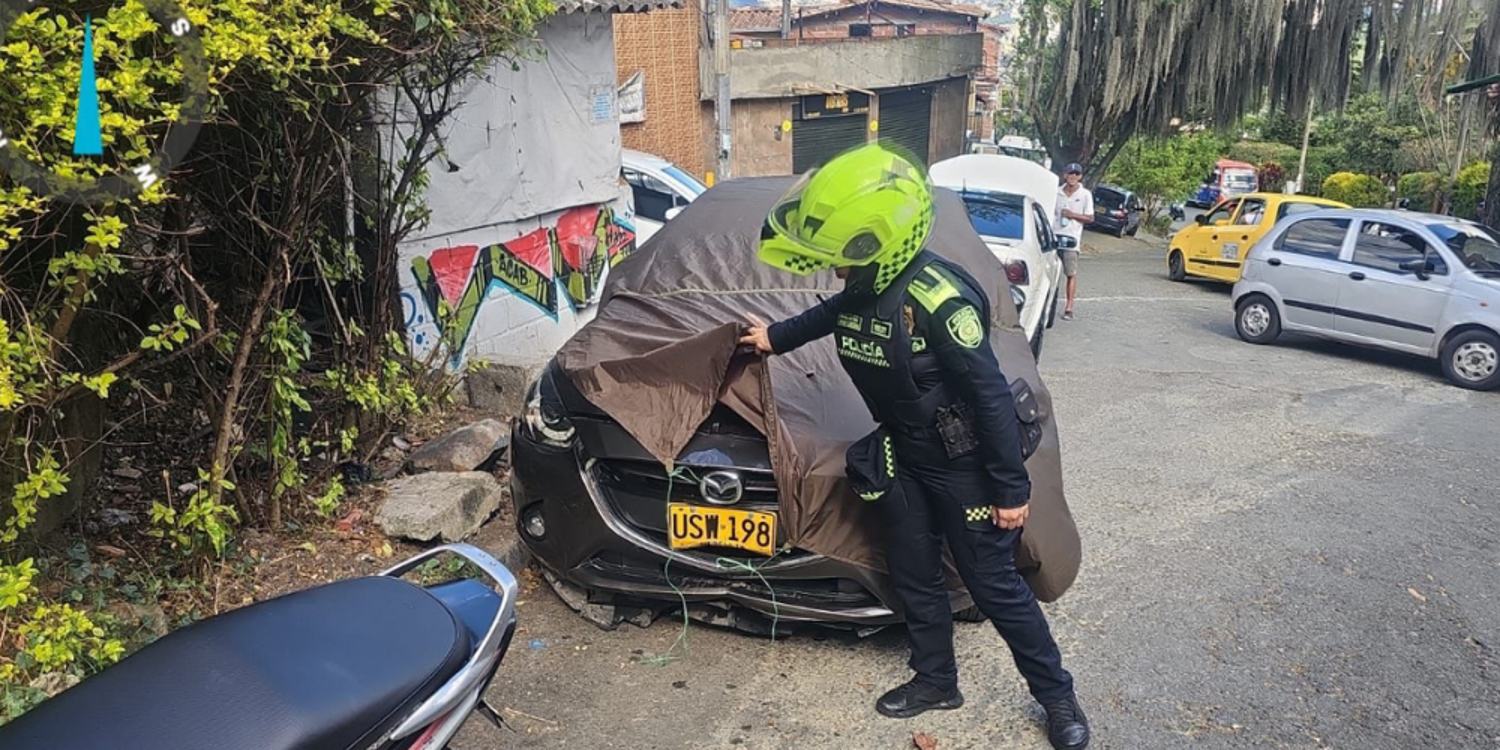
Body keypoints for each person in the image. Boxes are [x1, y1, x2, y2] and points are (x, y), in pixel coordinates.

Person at [738, 143, 1090, 750]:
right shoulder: (864, 283)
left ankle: (1058, 697)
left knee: (994, 587)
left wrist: (1011, 489)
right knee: (914, 571)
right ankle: (935, 680)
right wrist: (773, 337)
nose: (836, 268)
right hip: (903, 456)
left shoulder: (938, 300)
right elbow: (833, 313)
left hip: (965, 466)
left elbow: (989, 397)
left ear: (884, 242)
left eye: (846, 255)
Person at [1054, 163, 1093, 320]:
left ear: (1080, 177)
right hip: (1054, 236)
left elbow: (1090, 218)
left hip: (1072, 239)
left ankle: (1069, 306)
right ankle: (1048, 302)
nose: (1073, 176)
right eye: (1070, 173)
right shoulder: (1056, 192)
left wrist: (1072, 215)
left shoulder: (1085, 194)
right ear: (1065, 175)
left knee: (1070, 273)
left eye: (1076, 174)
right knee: (1049, 272)